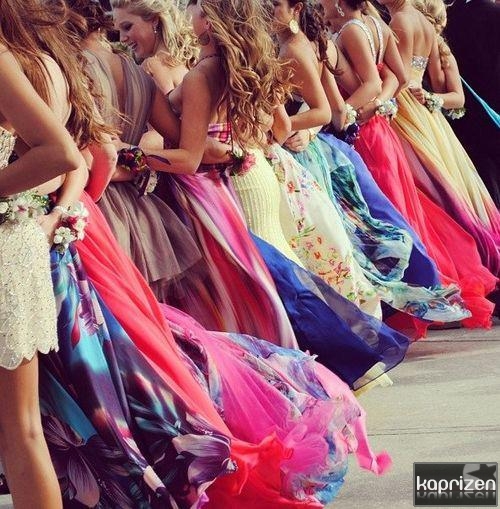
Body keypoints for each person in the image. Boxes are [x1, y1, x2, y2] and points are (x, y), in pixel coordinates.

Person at [321, 0, 497, 331]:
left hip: (399, 117)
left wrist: (363, 108)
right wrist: (386, 99)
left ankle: (423, 282)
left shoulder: (393, 21)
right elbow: (400, 77)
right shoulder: (393, 24)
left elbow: (380, 80)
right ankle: (428, 279)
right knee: (415, 200)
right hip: (413, 116)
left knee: (405, 202)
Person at [0, 0, 82, 506]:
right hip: (15, 240)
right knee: (20, 428)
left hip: (6, 250)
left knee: (21, 427)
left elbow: (63, 153)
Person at [382, 0, 500, 277]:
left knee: (426, 189)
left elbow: (400, 79)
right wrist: (429, 97)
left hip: (406, 111)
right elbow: (437, 82)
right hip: (429, 116)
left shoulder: (400, 21)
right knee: (445, 188)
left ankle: (452, 258)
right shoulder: (424, 24)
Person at [445, 0, 500, 207]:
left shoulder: (452, 14)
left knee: (483, 168)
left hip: (466, 106)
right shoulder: (493, 12)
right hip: (486, 103)